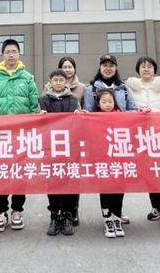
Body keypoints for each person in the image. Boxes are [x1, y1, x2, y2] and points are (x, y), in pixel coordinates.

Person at [0, 38, 40, 233]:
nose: (11, 55)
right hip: (0, 135)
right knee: (1, 173)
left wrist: (33, 129)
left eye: (14, 51)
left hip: (21, 135)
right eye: (8, 52)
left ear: (19, 54)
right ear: (3, 55)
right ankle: (1, 212)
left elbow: (34, 104)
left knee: (19, 173)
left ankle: (17, 211)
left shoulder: (27, 77)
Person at [83, 54, 137, 224]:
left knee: (120, 177)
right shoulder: (91, 89)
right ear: (100, 68)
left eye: (111, 65)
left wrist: (127, 115)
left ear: (116, 68)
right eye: (105, 65)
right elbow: (88, 115)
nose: (108, 68)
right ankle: (107, 214)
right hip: (101, 142)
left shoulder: (124, 88)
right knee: (105, 177)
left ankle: (118, 211)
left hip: (120, 140)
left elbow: (133, 110)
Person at [126, 56, 160, 225]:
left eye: (149, 66)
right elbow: (129, 110)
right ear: (138, 69)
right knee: (150, 173)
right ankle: (156, 207)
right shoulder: (131, 88)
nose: (146, 69)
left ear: (155, 69)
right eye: (143, 66)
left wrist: (152, 112)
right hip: (141, 136)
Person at [39, 69, 81, 236]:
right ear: (50, 82)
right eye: (55, 80)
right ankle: (55, 215)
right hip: (51, 149)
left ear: (66, 82)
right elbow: (37, 123)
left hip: (70, 148)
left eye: (61, 80)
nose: (58, 83)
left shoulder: (73, 100)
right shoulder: (43, 100)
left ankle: (68, 214)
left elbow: (80, 120)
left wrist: (80, 115)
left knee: (70, 181)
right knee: (53, 182)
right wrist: (39, 116)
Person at [52, 56, 86, 225]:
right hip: (54, 140)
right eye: (64, 67)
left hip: (73, 137)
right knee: (55, 175)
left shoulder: (81, 89)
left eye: (70, 67)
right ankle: (56, 211)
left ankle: (72, 210)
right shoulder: (47, 91)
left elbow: (85, 109)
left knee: (72, 174)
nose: (67, 69)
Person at [93, 88, 127, 239]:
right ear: (98, 104)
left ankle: (117, 218)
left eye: (110, 101)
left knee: (119, 190)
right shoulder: (93, 118)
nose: (107, 104)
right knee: (105, 191)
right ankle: (107, 219)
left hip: (119, 161)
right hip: (103, 162)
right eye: (104, 102)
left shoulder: (121, 116)